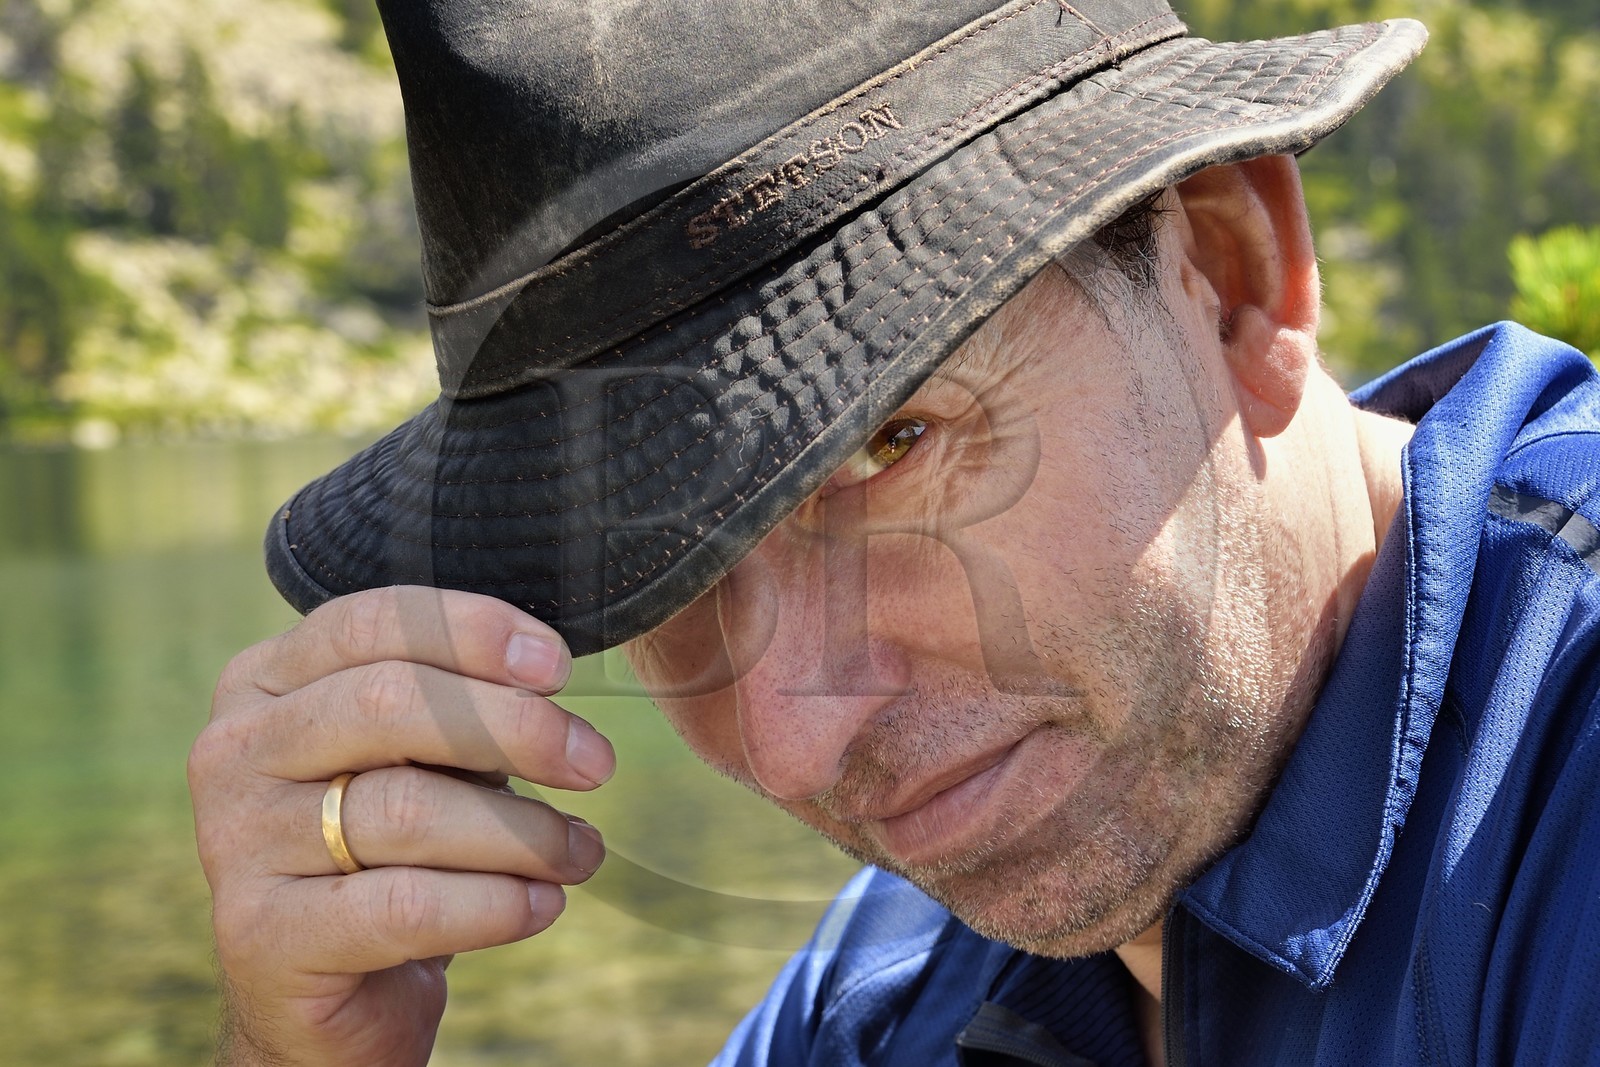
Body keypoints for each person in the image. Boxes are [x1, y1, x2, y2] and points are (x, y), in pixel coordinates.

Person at [187, 0, 1600, 1063]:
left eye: (892, 445)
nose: (798, 745)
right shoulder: (888, 993)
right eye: (658, 573)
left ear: (1230, 278)